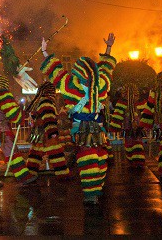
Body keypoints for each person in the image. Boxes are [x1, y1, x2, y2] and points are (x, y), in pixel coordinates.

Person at [40, 33, 116, 205]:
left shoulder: (79, 86)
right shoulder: (93, 85)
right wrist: (109, 48)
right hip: (87, 128)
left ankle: (94, 190)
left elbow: (57, 72)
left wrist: (45, 53)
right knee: (91, 157)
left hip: (92, 128)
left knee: (97, 157)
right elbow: (105, 68)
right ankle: (91, 193)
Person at [0, 75, 34, 188]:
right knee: (12, 152)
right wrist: (21, 109)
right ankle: (24, 177)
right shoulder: (2, 93)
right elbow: (14, 114)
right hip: (3, 130)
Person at [25, 82, 70, 181]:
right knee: (56, 152)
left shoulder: (39, 101)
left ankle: (31, 173)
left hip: (39, 132)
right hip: (46, 132)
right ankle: (63, 174)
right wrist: (53, 132)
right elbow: (48, 117)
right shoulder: (46, 102)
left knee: (35, 154)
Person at [109, 83, 148, 167]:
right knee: (136, 142)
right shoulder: (140, 101)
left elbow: (117, 116)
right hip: (136, 127)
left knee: (130, 142)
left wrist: (114, 127)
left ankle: (134, 160)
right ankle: (137, 161)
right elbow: (146, 114)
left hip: (129, 127)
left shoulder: (122, 101)